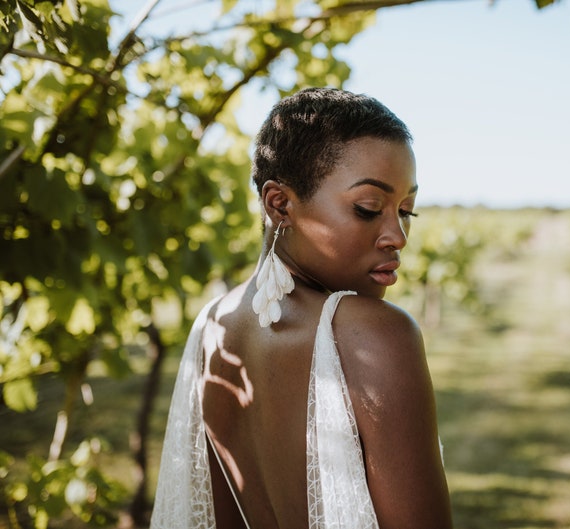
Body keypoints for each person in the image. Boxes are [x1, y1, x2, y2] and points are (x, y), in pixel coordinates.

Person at [150, 87, 452, 529]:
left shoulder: (211, 326)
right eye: (369, 208)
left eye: (406, 210)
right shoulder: (376, 336)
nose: (398, 236)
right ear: (280, 204)